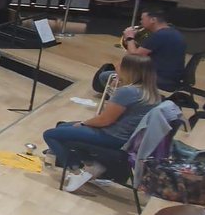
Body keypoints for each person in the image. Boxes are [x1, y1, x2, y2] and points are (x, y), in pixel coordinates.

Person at [43, 54, 160, 191]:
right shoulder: (151, 92)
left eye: (120, 65)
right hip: (127, 137)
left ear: (130, 70)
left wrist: (83, 123)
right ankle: (90, 164)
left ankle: (76, 171)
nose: (116, 66)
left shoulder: (128, 92)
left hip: (113, 136)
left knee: (51, 135)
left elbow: (105, 120)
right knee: (63, 127)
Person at [122, 9, 186, 91]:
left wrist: (129, 37)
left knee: (110, 73)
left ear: (153, 20)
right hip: (172, 77)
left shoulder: (160, 35)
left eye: (142, 19)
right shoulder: (173, 32)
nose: (141, 22)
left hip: (160, 79)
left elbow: (134, 56)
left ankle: (118, 100)